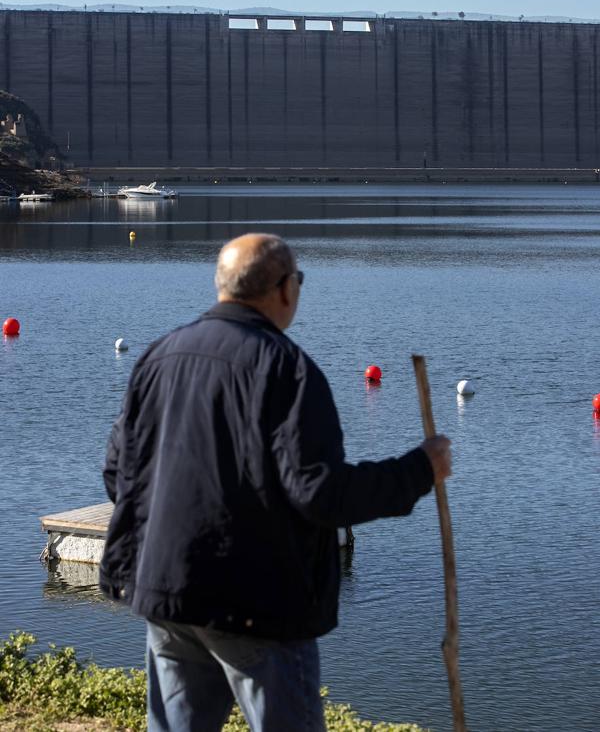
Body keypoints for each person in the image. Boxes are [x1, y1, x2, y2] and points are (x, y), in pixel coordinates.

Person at [100, 233, 452, 732]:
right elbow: (322, 495)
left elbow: (119, 473)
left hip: (167, 590)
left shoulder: (159, 358)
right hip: (256, 603)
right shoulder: (287, 371)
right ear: (285, 288)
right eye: (299, 281)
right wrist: (419, 469)